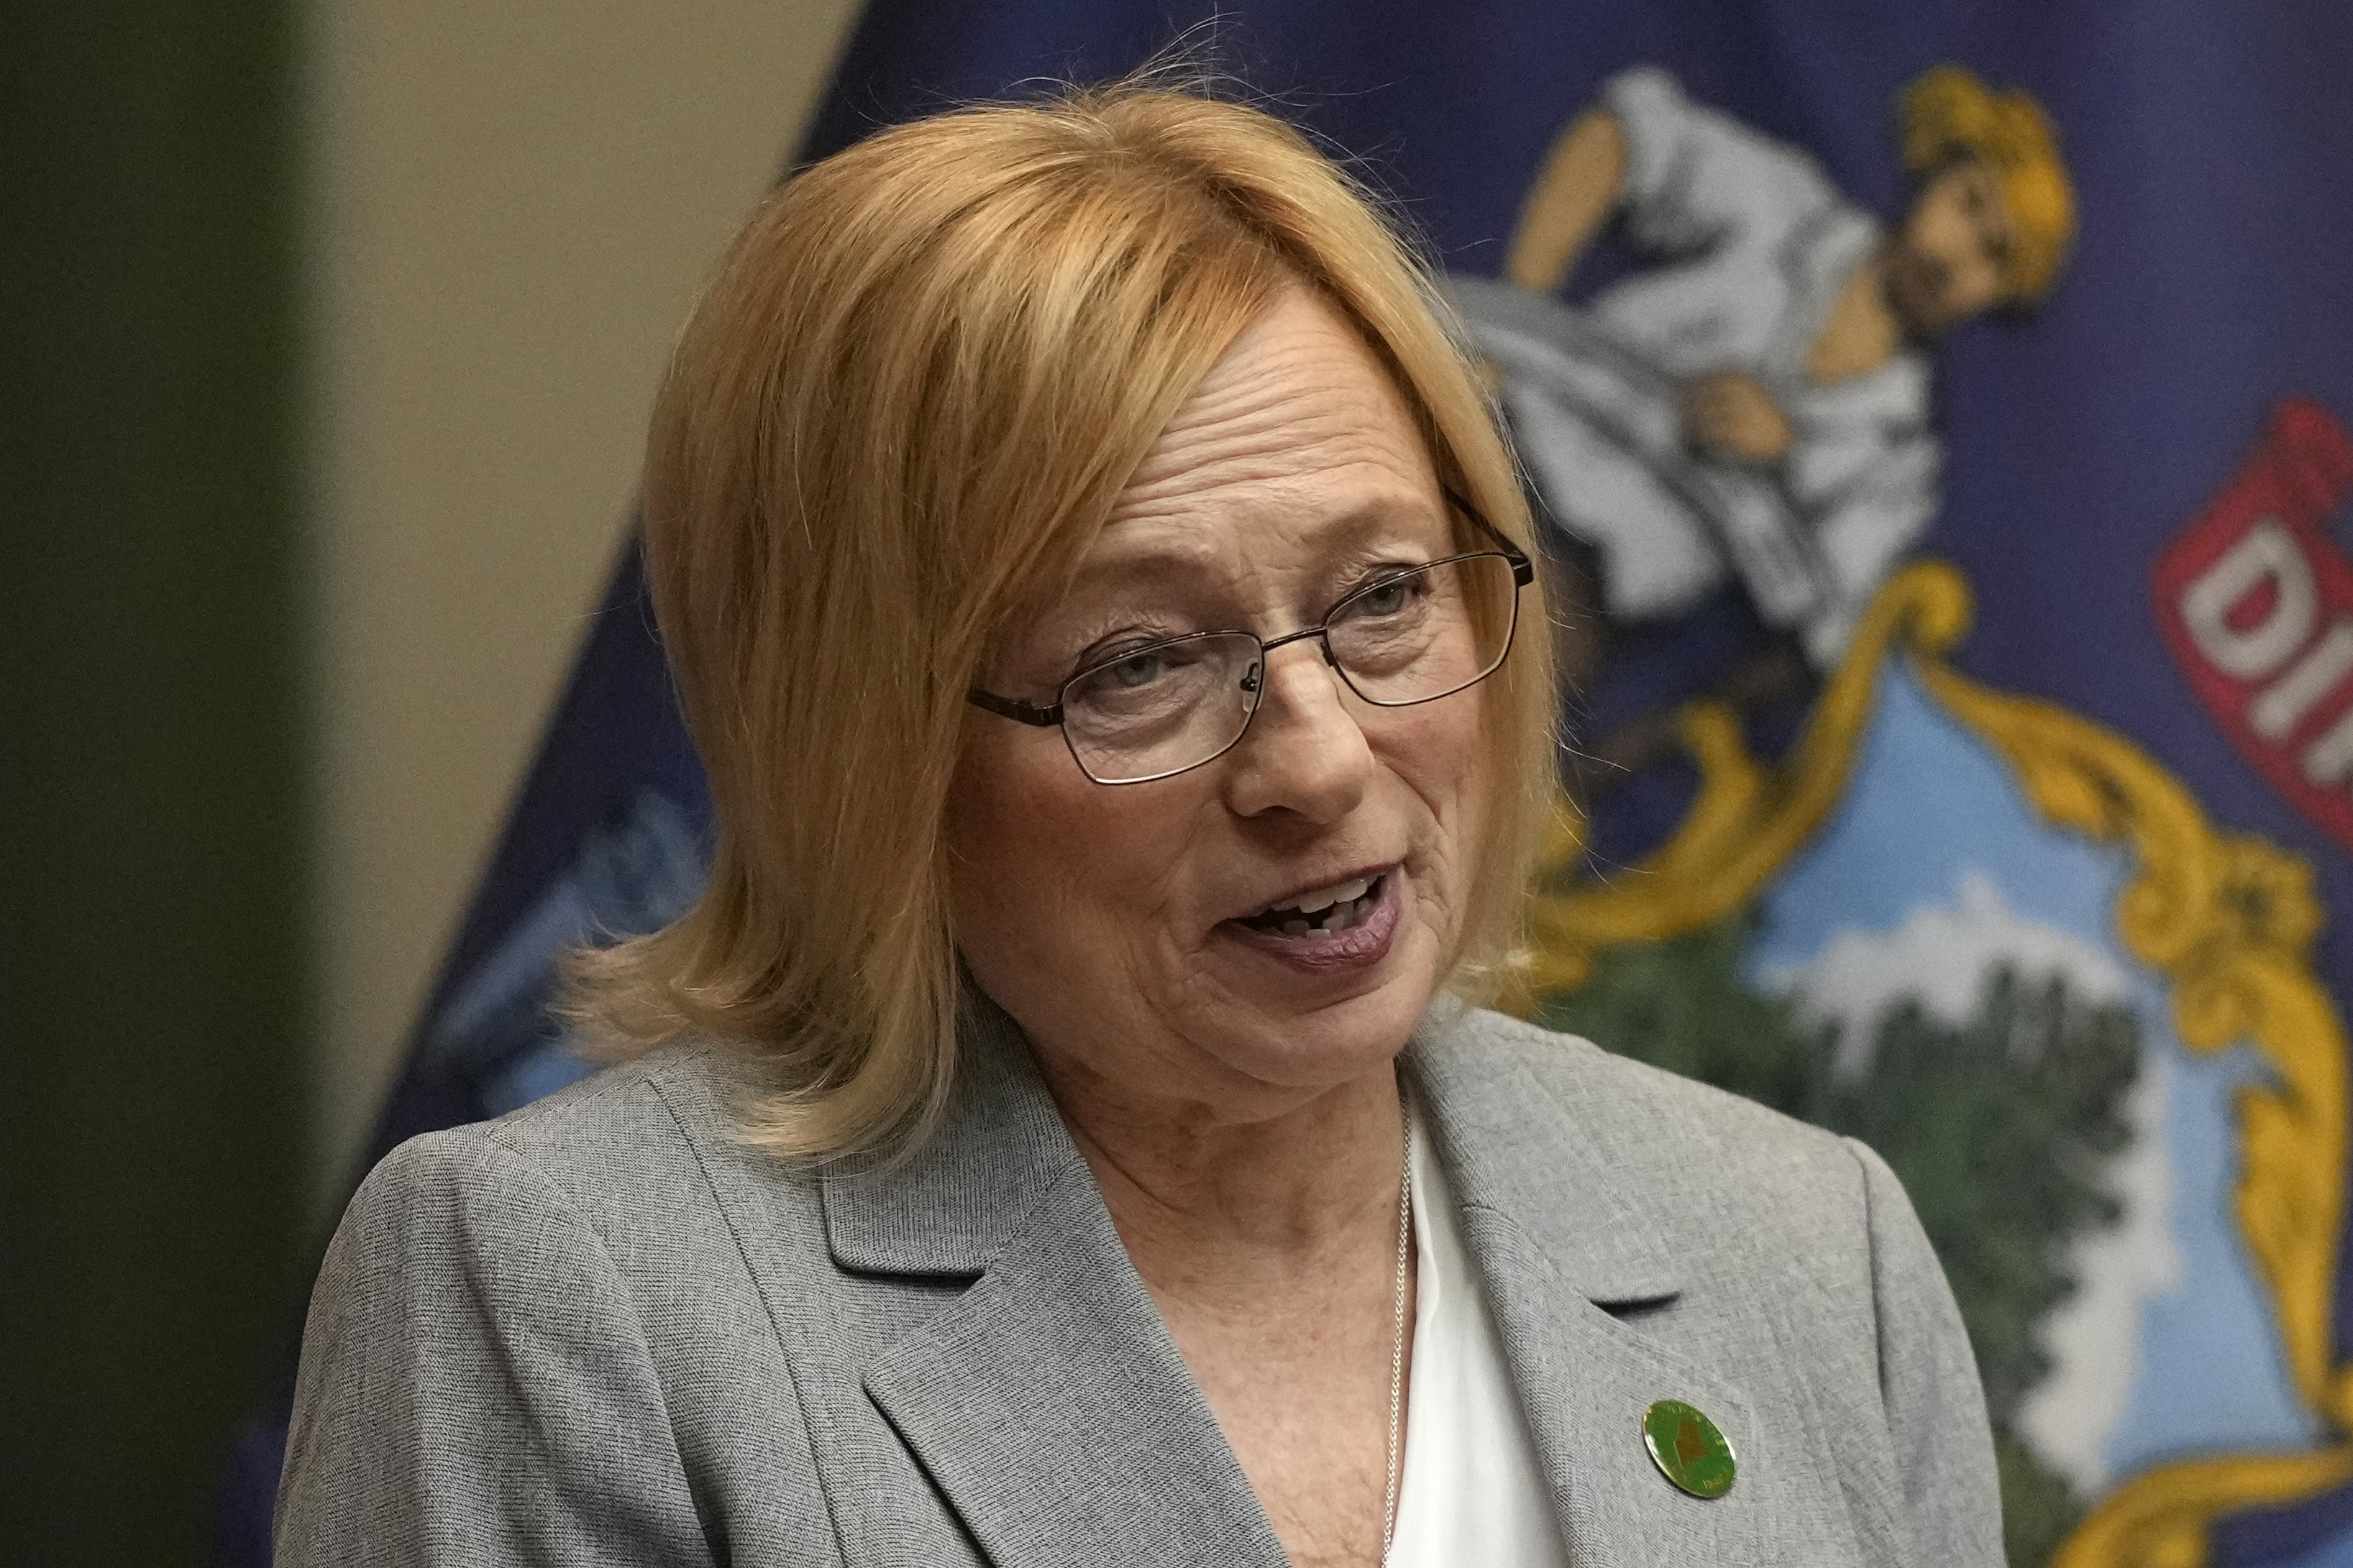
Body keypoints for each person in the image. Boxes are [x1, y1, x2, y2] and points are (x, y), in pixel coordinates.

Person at [275, 79, 2002, 1568]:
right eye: (1139, 662)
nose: (1317, 758)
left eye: (1383, 594)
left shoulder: (1802, 1248)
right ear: (864, 748)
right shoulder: (570, 1292)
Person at [1453, 64, 2075, 674]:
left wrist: (1785, 459)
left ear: (2003, 294)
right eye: (1968, 203)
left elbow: (1824, 639)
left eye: (1995, 254)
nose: (1956, 256)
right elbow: (1621, 136)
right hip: (1498, 446)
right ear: (1932, 176)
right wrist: (1519, 312)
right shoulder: (1785, 212)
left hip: (1577, 592)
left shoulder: (1899, 461)